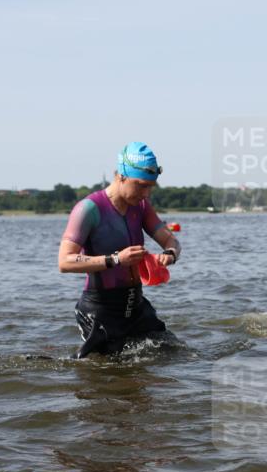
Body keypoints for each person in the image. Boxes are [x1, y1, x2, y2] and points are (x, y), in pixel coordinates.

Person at [58, 142, 181, 357]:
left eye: (151, 186)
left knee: (174, 353)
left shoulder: (141, 207)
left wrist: (169, 255)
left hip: (136, 305)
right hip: (100, 309)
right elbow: (65, 262)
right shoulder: (88, 209)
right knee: (108, 373)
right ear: (121, 176)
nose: (146, 193)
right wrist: (115, 259)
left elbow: (172, 242)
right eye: (141, 185)